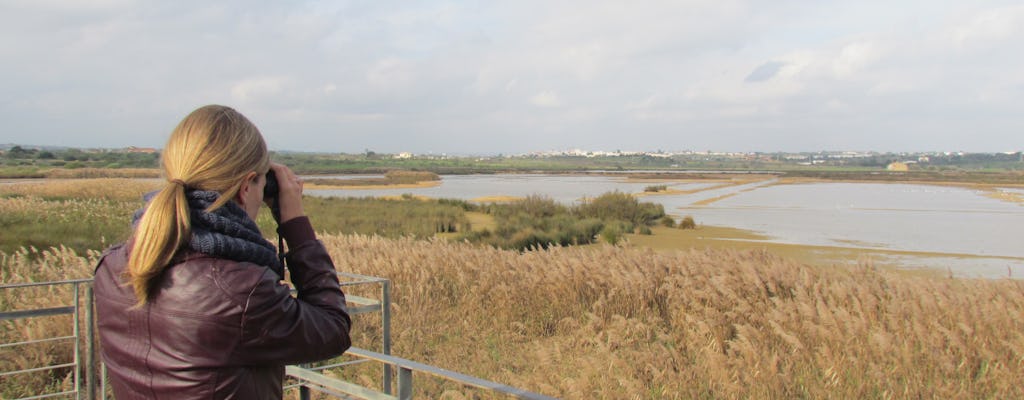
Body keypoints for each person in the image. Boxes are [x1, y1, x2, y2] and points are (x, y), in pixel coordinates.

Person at [94, 105, 351, 399]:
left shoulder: (112, 268)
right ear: (245, 187)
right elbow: (333, 329)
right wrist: (295, 223)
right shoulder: (242, 292)